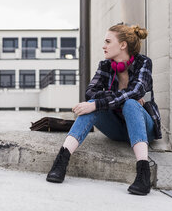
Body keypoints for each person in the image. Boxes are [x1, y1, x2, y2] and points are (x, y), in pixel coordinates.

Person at [45, 23, 161, 196]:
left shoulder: (143, 63)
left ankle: (143, 174)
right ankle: (61, 161)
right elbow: (91, 92)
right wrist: (107, 101)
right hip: (116, 129)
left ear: (122, 45)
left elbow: (137, 90)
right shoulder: (105, 65)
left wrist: (106, 100)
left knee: (129, 104)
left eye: (108, 41)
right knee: (94, 103)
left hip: (144, 127)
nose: (103, 46)